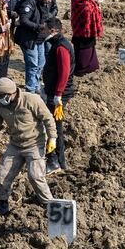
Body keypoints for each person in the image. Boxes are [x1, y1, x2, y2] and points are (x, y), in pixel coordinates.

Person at [0, 78, 56, 215]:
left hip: (34, 144)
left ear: (10, 94)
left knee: (35, 175)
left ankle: (49, 206)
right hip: (15, 144)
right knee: (3, 174)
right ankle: (2, 207)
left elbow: (48, 118)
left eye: (1, 96)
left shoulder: (32, 100)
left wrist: (52, 138)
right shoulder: (0, 105)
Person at [40, 19, 74, 175]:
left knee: (54, 127)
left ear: (52, 30)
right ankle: (58, 161)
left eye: (45, 29)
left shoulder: (60, 47)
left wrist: (58, 94)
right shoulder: (59, 44)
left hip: (58, 95)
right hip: (55, 92)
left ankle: (55, 161)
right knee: (54, 127)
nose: (43, 31)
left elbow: (64, 72)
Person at [14, 0, 57, 93]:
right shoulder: (30, 1)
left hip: (40, 38)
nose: (49, 0)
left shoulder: (47, 2)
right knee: (32, 64)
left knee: (41, 63)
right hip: (28, 39)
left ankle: (36, 85)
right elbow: (24, 19)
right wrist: (38, 26)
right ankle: (30, 88)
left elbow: (53, 11)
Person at [70, 0, 103, 76]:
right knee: (83, 53)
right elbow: (88, 11)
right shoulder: (82, 0)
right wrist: (97, 6)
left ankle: (89, 67)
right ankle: (83, 70)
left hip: (81, 30)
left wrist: (95, 4)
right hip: (84, 31)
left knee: (88, 50)